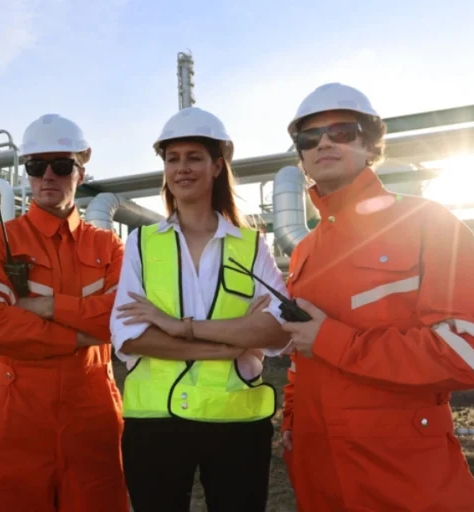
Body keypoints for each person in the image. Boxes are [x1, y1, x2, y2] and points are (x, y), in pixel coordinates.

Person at [278, 83, 474, 511]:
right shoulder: (306, 249)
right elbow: (300, 352)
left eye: (341, 132)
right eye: (309, 138)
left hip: (402, 477)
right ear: (302, 156)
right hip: (317, 469)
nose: (323, 142)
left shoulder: (428, 224)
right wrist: (292, 418)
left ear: (370, 144)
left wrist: (331, 340)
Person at [110, 106, 292, 512]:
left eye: (194, 157)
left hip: (236, 423)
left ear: (216, 166)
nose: (182, 168)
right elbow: (131, 335)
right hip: (154, 424)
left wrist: (178, 326)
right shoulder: (140, 244)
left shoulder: (251, 244)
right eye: (172, 159)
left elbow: (276, 332)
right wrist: (232, 342)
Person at [0, 113, 129, 512]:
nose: (48, 176)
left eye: (62, 165)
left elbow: (122, 318)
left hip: (93, 414)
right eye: (36, 166)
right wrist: (79, 336)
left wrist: (48, 307)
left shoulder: (110, 247)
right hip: (14, 412)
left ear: (81, 171)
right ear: (27, 174)